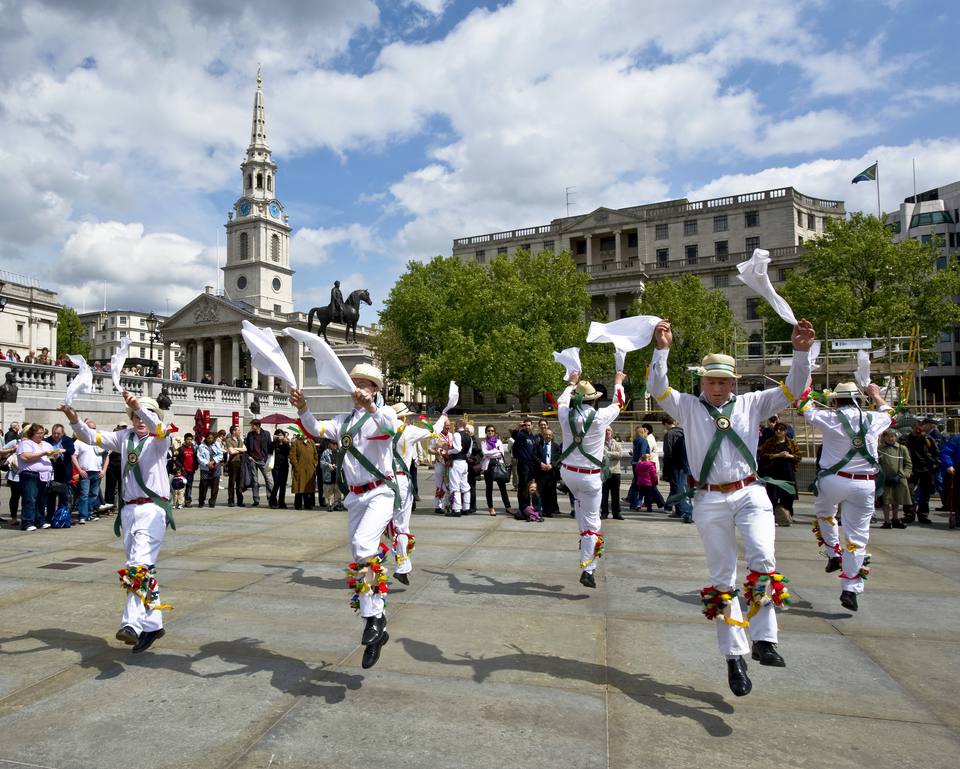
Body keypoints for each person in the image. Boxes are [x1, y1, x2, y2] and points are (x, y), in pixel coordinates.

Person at [647, 317, 814, 697]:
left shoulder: (754, 403)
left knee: (763, 559)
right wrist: (662, 349)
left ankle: (765, 641)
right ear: (702, 381)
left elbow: (794, 388)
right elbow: (657, 386)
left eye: (723, 381)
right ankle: (734, 658)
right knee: (723, 578)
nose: (718, 387)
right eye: (711, 380)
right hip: (708, 498)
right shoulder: (687, 406)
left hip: (750, 492)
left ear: (734, 382)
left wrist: (800, 353)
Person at [290, 363, 400, 669]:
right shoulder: (344, 420)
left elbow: (389, 429)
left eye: (365, 385)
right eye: (355, 384)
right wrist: (303, 408)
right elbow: (318, 430)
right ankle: (377, 625)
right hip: (355, 497)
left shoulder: (384, 414)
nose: (358, 389)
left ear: (376, 389)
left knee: (365, 546)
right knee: (360, 554)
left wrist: (372, 407)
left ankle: (374, 619)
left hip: (380, 492)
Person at [61, 392, 176, 654]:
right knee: (143, 568)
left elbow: (158, 427)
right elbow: (92, 437)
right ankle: (154, 624)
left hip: (152, 510)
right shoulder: (124, 438)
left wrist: (140, 406)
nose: (139, 419)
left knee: (137, 567)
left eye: (143, 415)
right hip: (128, 512)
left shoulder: (160, 439)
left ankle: (132, 625)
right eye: (134, 415)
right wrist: (75, 420)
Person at [802, 382, 893, 611]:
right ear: (858, 400)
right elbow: (889, 413)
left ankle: (833, 552)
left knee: (825, 514)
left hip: (834, 479)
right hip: (864, 484)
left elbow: (805, 408)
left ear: (834, 401)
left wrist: (806, 386)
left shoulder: (830, 418)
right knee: (857, 538)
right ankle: (850, 589)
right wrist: (876, 395)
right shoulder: (874, 418)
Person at [557, 369, 626, 589]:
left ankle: (584, 540)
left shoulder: (565, 415)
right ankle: (588, 567)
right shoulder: (599, 417)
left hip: (568, 473)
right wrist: (617, 382)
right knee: (592, 523)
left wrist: (571, 383)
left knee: (579, 504)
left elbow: (561, 400)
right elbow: (619, 403)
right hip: (589, 476)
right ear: (594, 400)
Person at [385, 402, 437, 584]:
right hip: (401, 481)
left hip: (384, 482)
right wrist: (444, 415)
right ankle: (401, 566)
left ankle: (402, 564)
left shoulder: (382, 431)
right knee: (401, 525)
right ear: (405, 417)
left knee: (388, 523)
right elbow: (434, 430)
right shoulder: (409, 431)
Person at [757, 422, 801, 526]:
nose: (778, 431)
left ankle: (787, 515)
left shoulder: (791, 443)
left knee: (788, 495)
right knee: (773, 495)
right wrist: (777, 455)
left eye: (781, 430)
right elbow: (763, 455)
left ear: (785, 431)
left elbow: (798, 457)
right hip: (774, 471)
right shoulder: (770, 442)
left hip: (788, 471)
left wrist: (789, 456)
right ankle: (773, 516)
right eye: (776, 429)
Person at [16, 423, 56, 531]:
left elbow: (51, 456)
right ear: (32, 433)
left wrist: (55, 454)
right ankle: (27, 522)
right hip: (30, 475)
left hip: (45, 476)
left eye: (42, 433)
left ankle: (40, 520)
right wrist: (42, 454)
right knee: (30, 498)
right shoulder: (26, 443)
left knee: (41, 499)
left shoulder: (45, 444)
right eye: (38, 433)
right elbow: (25, 457)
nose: (41, 435)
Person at [904, 419, 938, 524]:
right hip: (911, 469)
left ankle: (923, 515)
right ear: (913, 427)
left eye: (920, 427)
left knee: (925, 493)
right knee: (909, 492)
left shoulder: (927, 439)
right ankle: (909, 514)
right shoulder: (905, 439)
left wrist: (935, 463)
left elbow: (935, 452)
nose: (919, 430)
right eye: (917, 428)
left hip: (926, 469)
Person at [878, 428, 911, 529]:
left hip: (898, 478)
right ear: (884, 438)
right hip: (884, 479)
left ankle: (895, 519)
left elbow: (908, 464)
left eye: (892, 436)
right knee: (885, 501)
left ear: (896, 437)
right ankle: (887, 521)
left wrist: (903, 474)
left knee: (896, 500)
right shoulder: (879, 449)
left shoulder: (902, 448)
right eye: (887, 436)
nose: (890, 438)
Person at [661, 415, 692, 522]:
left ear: (665, 424)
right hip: (687, 464)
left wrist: (666, 467)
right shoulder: (683, 432)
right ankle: (676, 508)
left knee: (678, 488)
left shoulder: (669, 434)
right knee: (681, 487)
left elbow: (668, 452)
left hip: (675, 464)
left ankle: (682, 511)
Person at [73, 421, 105, 524]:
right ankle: (83, 515)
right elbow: (73, 456)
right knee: (84, 495)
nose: (93, 430)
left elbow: (106, 456)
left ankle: (89, 513)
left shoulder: (99, 440)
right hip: (85, 472)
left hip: (97, 472)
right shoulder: (79, 441)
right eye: (90, 428)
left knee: (94, 495)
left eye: (94, 428)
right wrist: (79, 470)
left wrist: (104, 470)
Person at [480, 425, 513, 516]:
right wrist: (495, 450)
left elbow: (501, 453)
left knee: (502, 488)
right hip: (488, 466)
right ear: (486, 432)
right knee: (489, 488)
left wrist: (491, 452)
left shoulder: (499, 441)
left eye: (492, 431)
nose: (490, 432)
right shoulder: (483, 442)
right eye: (488, 431)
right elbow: (485, 453)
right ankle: (490, 507)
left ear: (495, 432)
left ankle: (508, 507)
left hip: (498, 465)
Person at [446, 418, 473, 517]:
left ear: (457, 425)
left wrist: (448, 451)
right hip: (464, 463)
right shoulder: (469, 437)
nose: (454, 426)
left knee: (455, 486)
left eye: (455, 424)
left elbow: (457, 448)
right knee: (465, 485)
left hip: (457, 462)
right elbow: (469, 453)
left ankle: (456, 509)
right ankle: (466, 508)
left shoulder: (457, 434)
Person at [245, 419, 274, 507]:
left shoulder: (266, 434)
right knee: (255, 481)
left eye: (253, 425)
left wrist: (268, 458)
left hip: (263, 460)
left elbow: (270, 446)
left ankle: (271, 499)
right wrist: (248, 456)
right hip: (253, 460)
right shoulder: (250, 434)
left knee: (269, 480)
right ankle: (256, 499)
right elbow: (247, 447)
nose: (251, 427)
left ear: (257, 425)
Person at [510, 419, 538, 510]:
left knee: (529, 485)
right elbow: (514, 435)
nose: (527, 427)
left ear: (532, 426)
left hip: (531, 464)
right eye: (526, 425)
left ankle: (528, 504)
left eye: (529, 425)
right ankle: (522, 506)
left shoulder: (532, 437)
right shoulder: (521, 434)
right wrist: (518, 427)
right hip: (523, 464)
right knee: (523, 485)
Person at [600, 427, 625, 520]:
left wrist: (608, 454)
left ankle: (616, 513)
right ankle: (604, 512)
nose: (607, 432)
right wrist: (613, 454)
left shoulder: (616, 443)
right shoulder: (600, 443)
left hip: (615, 471)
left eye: (609, 430)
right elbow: (600, 456)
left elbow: (620, 455)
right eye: (605, 430)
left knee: (616, 494)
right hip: (605, 471)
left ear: (612, 432)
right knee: (604, 493)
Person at [536, 427, 561, 517]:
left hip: (551, 473)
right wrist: (541, 464)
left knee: (551, 492)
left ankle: (549, 511)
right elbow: (534, 456)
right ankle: (541, 510)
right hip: (541, 472)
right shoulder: (538, 445)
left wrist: (551, 465)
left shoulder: (556, 446)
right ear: (543, 435)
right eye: (546, 434)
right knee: (541, 492)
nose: (548, 436)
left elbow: (558, 458)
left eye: (549, 435)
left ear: (552, 436)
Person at [290, 431, 318, 510]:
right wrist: (296, 466)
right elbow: (292, 456)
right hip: (300, 469)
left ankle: (308, 504)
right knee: (299, 487)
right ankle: (298, 505)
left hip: (310, 468)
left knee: (308, 487)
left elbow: (315, 455)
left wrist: (314, 464)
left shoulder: (311, 442)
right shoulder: (296, 443)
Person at [430, 422, 452, 513]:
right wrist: (437, 453)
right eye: (446, 426)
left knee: (448, 484)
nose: (448, 427)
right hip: (440, 463)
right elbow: (430, 449)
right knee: (439, 485)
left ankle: (448, 504)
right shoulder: (436, 436)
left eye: (449, 426)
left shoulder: (451, 435)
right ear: (442, 426)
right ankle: (438, 506)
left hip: (449, 463)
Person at [626, 426, 651, 510]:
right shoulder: (644, 441)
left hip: (634, 463)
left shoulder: (635, 440)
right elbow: (643, 453)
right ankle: (637, 503)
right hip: (641, 464)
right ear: (643, 432)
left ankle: (634, 503)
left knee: (636, 483)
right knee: (642, 484)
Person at [196, 432, 223, 508]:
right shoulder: (201, 446)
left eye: (211, 438)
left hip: (215, 467)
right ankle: (201, 501)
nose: (210, 439)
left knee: (215, 486)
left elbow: (220, 454)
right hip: (205, 468)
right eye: (208, 438)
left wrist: (213, 461)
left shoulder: (217, 444)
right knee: (203, 486)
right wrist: (207, 463)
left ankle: (212, 502)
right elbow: (199, 457)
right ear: (206, 438)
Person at [223, 424, 247, 506]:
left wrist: (236, 449)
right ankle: (231, 500)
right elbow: (231, 452)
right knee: (232, 482)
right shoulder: (229, 440)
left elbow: (245, 449)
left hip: (241, 462)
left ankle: (240, 500)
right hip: (233, 462)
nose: (239, 432)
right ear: (234, 431)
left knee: (240, 482)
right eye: (238, 430)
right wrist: (240, 450)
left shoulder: (240, 439)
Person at [269, 429, 290, 509]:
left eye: (281, 435)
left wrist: (285, 442)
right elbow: (269, 450)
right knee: (277, 484)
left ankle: (282, 502)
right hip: (276, 467)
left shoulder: (285, 444)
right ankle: (272, 501)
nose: (280, 437)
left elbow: (289, 451)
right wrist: (275, 441)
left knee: (283, 485)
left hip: (284, 466)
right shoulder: (274, 444)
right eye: (278, 435)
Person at [175, 433, 197, 508]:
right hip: (183, 471)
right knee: (181, 487)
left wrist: (195, 467)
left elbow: (196, 459)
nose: (189, 441)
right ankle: (179, 502)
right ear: (185, 440)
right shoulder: (181, 449)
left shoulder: (194, 449)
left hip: (191, 471)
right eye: (188, 439)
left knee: (189, 486)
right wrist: (181, 467)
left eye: (191, 439)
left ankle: (188, 501)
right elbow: (176, 460)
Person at [320, 439, 340, 510]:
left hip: (338, 475)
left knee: (337, 490)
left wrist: (338, 466)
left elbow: (344, 463)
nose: (335, 445)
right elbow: (321, 463)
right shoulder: (326, 452)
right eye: (333, 444)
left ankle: (336, 504)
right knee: (329, 490)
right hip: (329, 475)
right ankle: (330, 505)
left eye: (336, 444)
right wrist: (328, 465)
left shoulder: (340, 452)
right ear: (330, 444)